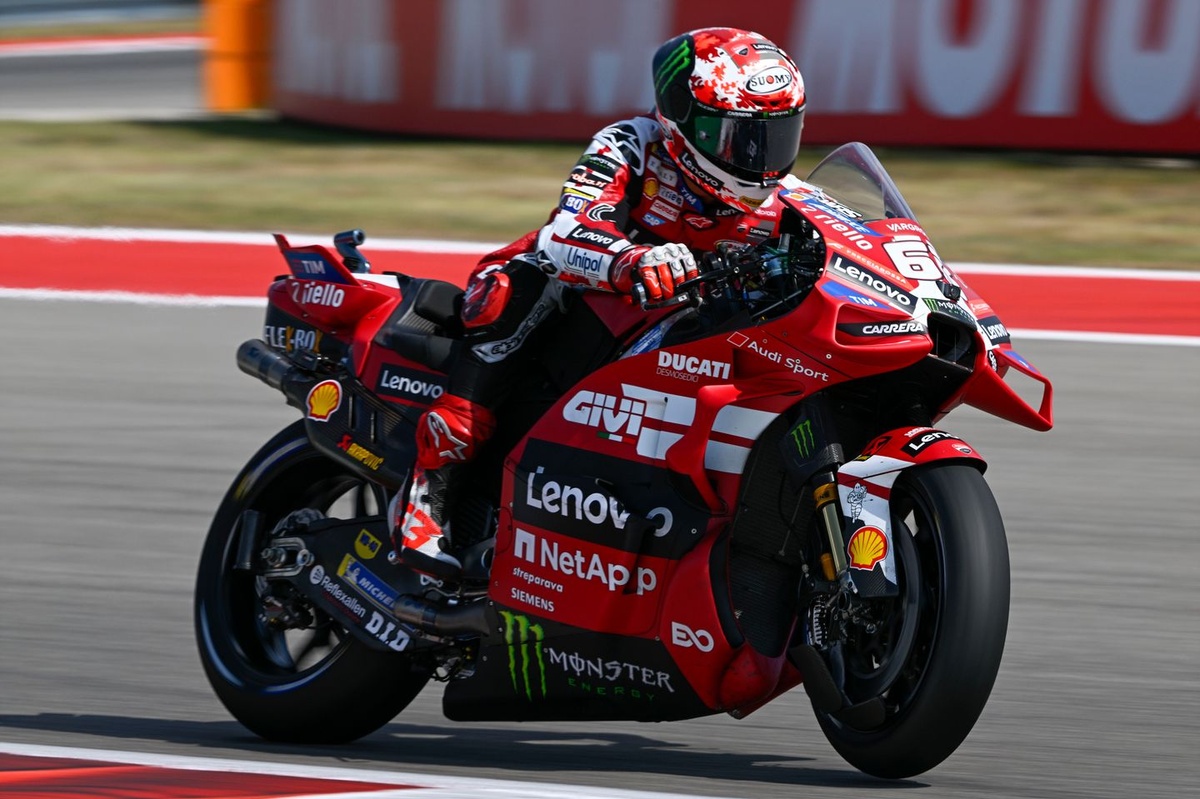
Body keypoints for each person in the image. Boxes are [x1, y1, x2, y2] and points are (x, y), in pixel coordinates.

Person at [391, 26, 808, 579]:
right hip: (576, 293)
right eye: (738, 138)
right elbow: (564, 233)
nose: (759, 159)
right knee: (518, 290)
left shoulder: (786, 200)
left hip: (678, 329)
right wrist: (632, 260)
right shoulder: (632, 145)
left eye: (775, 137)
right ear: (684, 120)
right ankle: (430, 492)